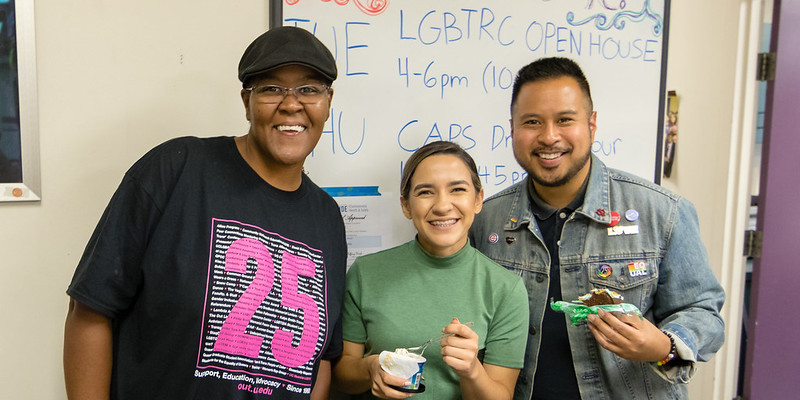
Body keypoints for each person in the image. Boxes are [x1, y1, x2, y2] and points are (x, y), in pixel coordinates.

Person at [63, 26, 347, 400]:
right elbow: (91, 309)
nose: (291, 104)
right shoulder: (177, 170)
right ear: (247, 101)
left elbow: (320, 360)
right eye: (271, 88)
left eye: (309, 90)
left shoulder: (327, 218)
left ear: (328, 101)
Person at [469, 57, 725, 399]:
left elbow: (703, 312)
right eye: (532, 122)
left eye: (565, 120)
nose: (549, 136)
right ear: (512, 129)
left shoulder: (662, 212)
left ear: (591, 124)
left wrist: (663, 346)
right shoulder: (484, 220)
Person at [333, 141, 530, 400]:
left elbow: (501, 396)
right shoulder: (365, 273)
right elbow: (342, 376)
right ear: (406, 205)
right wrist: (371, 368)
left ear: (478, 199)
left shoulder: (506, 289)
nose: (442, 206)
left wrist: (472, 371)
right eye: (425, 192)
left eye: (457, 189)